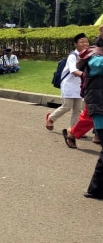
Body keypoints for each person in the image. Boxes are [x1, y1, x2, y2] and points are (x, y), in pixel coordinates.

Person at [78, 26, 103, 199]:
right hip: (100, 108)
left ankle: (95, 189)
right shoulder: (93, 55)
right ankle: (95, 189)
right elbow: (98, 67)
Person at [46, 33, 88, 134]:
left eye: (86, 42)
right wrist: (85, 76)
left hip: (79, 86)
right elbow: (73, 70)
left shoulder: (87, 55)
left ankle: (73, 130)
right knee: (67, 106)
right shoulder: (72, 56)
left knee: (77, 109)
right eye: (81, 42)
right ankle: (51, 118)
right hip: (68, 85)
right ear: (75, 44)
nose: (85, 44)